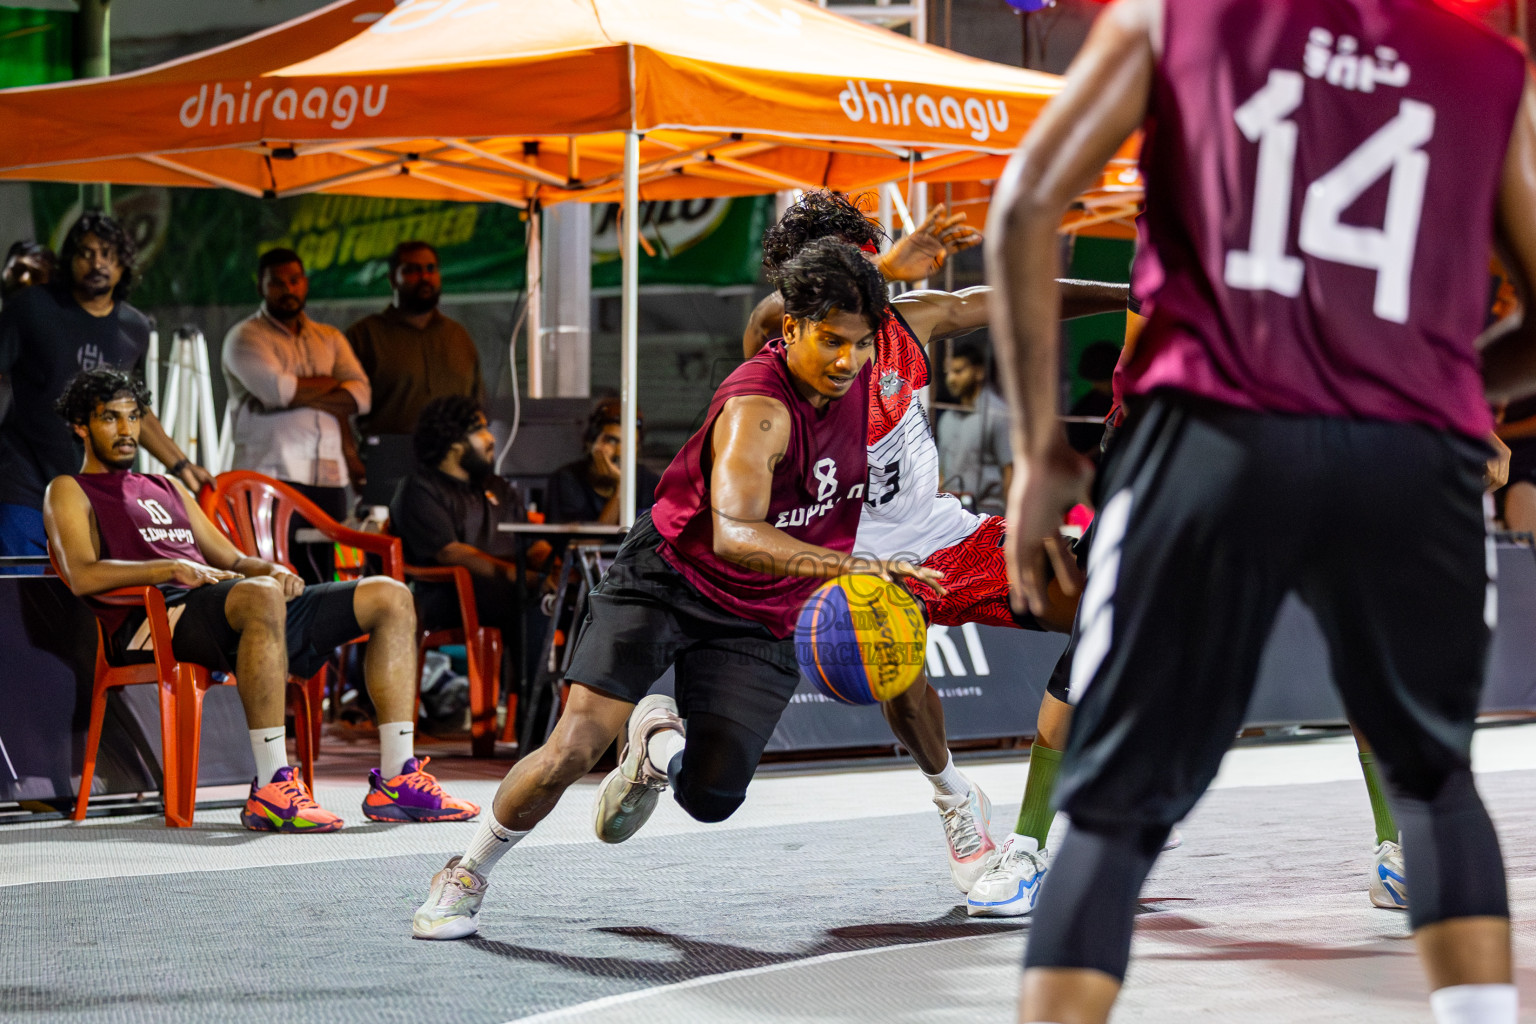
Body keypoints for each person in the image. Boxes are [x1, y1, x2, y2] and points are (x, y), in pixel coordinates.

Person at [989, 0, 1534, 1020]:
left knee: (1112, 815)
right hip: (1407, 453)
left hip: (1213, 429)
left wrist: (1035, 453)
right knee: (1435, 782)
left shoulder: (1173, 18)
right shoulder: (1486, 66)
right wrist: (1441, 379)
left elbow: (1024, 204)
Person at [410, 238, 942, 940]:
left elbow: (941, 310)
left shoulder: (855, 373)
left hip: (759, 613)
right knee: (573, 746)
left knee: (714, 797)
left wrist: (885, 274)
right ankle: (467, 871)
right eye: (832, 342)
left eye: (861, 344)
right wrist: (854, 568)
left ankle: (655, 745)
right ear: (792, 333)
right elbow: (736, 535)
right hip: (668, 576)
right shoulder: (760, 404)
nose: (847, 360)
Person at [749, 190, 1121, 896]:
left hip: (945, 537)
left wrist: (1137, 297)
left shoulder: (904, 324)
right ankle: (955, 799)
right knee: (894, 667)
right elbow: (765, 315)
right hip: (853, 562)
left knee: (1104, 608)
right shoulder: (778, 345)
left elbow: (1014, 294)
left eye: (861, 271)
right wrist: (877, 269)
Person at [43, 369, 480, 832]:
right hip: (155, 619)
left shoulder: (168, 488)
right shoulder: (69, 489)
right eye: (110, 418)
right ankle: (272, 786)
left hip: (234, 603)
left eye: (133, 417)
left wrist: (272, 569)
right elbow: (81, 574)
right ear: (80, 426)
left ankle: (397, 780)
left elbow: (231, 557)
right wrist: (167, 568)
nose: (127, 429)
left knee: (390, 597)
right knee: (259, 597)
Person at [0, 213, 211, 561]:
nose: (97, 263)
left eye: (108, 254)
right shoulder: (31, 307)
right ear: (70, 260)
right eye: (86, 253)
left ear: (124, 264)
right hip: (24, 484)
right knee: (19, 594)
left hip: (93, 495)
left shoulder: (135, 327)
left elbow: (136, 410)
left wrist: (182, 466)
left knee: (86, 604)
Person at [222, 247, 370, 582]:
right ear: (260, 286)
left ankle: (320, 636)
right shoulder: (244, 337)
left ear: (305, 283)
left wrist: (301, 394)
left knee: (323, 574)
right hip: (272, 474)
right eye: (277, 282)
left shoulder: (329, 338)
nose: (288, 289)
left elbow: (362, 396)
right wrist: (333, 385)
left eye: (295, 280)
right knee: (275, 575)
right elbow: (278, 392)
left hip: (329, 477)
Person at [389, 395, 549, 703]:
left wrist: (555, 564)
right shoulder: (420, 489)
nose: (491, 438)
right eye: (482, 429)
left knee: (582, 600)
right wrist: (519, 577)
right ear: (454, 441)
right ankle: (537, 725)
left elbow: (530, 544)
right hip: (449, 596)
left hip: (508, 590)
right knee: (534, 602)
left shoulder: (498, 487)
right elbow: (450, 553)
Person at [346, 240, 483, 441]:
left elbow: (477, 404)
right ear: (393, 279)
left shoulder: (457, 335)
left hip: (454, 458)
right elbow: (338, 409)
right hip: (389, 457)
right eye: (413, 270)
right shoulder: (365, 336)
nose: (424, 277)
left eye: (431, 269)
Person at [542, 398, 661, 525]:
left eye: (630, 444)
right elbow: (584, 543)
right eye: (612, 441)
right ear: (590, 443)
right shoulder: (566, 480)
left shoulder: (651, 484)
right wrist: (621, 487)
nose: (620, 452)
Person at [936, 338, 1013, 515]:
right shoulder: (947, 418)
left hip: (989, 516)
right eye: (948, 372)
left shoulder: (998, 415)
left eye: (958, 371)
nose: (951, 379)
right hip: (953, 516)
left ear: (978, 372)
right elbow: (941, 473)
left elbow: (1011, 472)